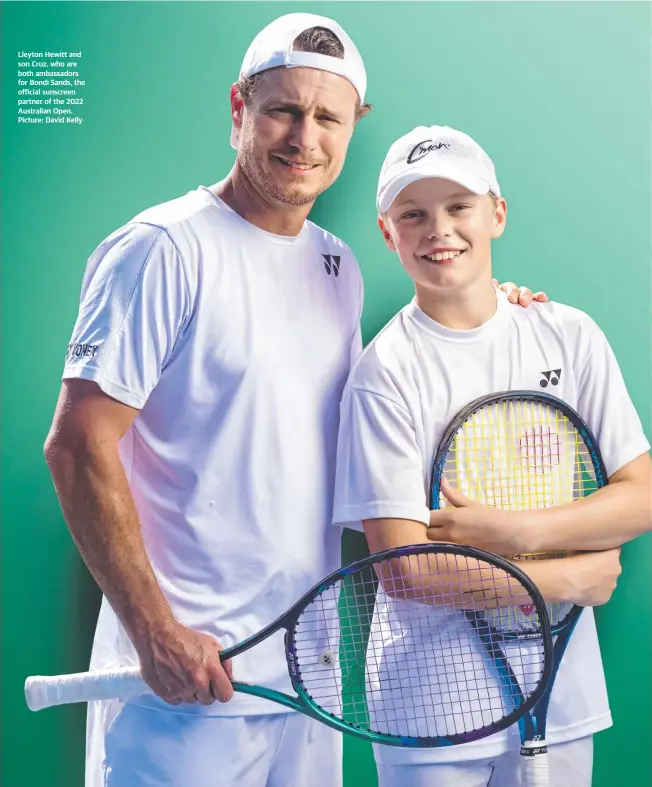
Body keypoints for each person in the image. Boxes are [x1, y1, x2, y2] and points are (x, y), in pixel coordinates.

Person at [44, 13, 545, 787]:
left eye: (327, 117)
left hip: (307, 681)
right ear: (239, 108)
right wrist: (155, 631)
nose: (303, 136)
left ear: (354, 129)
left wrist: (485, 302)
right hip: (182, 686)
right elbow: (77, 444)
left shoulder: (336, 266)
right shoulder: (162, 248)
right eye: (283, 109)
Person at [332, 124, 652, 787]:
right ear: (388, 233)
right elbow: (405, 569)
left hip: (562, 695)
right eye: (412, 214)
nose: (438, 228)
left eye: (458, 206)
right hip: (430, 706)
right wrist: (563, 578)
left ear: (497, 213)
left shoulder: (568, 334)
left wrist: (515, 532)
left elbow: (640, 493)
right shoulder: (384, 372)